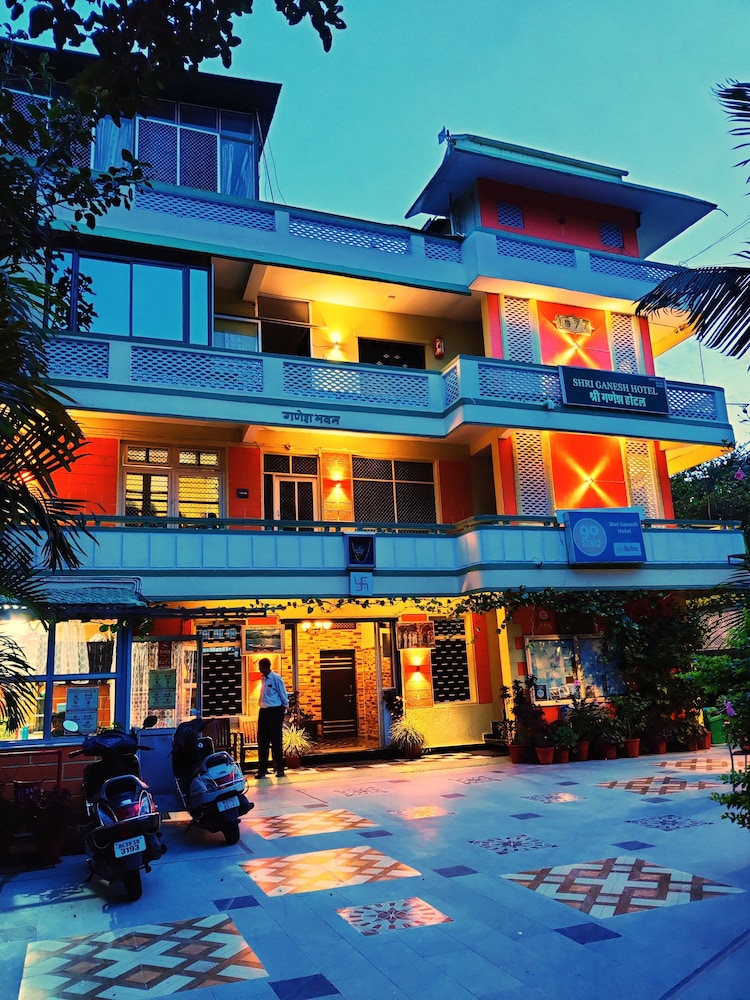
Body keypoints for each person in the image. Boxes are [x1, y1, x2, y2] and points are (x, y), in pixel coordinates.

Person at [256, 657, 289, 778]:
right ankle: (262, 770)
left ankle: (279, 769)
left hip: (274, 711)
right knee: (262, 742)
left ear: (265, 667)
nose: (259, 669)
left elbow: (283, 694)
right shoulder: (263, 679)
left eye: (260, 666)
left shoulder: (276, 678)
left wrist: (284, 709)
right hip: (264, 710)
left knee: (276, 741)